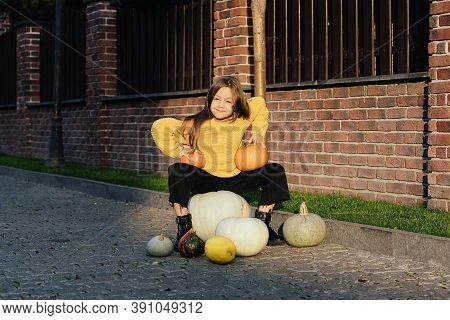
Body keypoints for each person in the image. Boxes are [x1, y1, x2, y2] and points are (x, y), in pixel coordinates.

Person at [150, 75, 291, 249]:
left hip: (236, 177)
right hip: (206, 178)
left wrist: (259, 131)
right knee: (177, 171)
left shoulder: (240, 120)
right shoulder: (195, 123)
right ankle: (184, 227)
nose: (221, 105)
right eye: (217, 99)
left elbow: (260, 104)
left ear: (236, 104)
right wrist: (180, 151)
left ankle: (263, 224)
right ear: (209, 99)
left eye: (228, 101)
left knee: (275, 171)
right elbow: (160, 127)